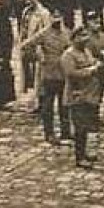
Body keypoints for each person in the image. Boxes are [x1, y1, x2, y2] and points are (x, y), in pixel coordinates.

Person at [61, 26, 104, 169]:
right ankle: (80, 157)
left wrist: (97, 64)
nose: (85, 39)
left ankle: (88, 152)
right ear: (73, 39)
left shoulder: (86, 51)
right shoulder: (68, 55)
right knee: (80, 128)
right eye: (81, 36)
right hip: (77, 96)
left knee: (89, 125)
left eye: (86, 36)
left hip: (89, 94)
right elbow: (71, 73)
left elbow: (92, 62)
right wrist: (92, 70)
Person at [31, 10, 71, 143]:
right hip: (49, 73)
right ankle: (49, 133)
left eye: (59, 17)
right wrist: (39, 53)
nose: (56, 20)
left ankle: (66, 132)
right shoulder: (44, 33)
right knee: (48, 106)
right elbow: (27, 45)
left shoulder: (67, 33)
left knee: (64, 104)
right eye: (54, 17)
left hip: (64, 73)